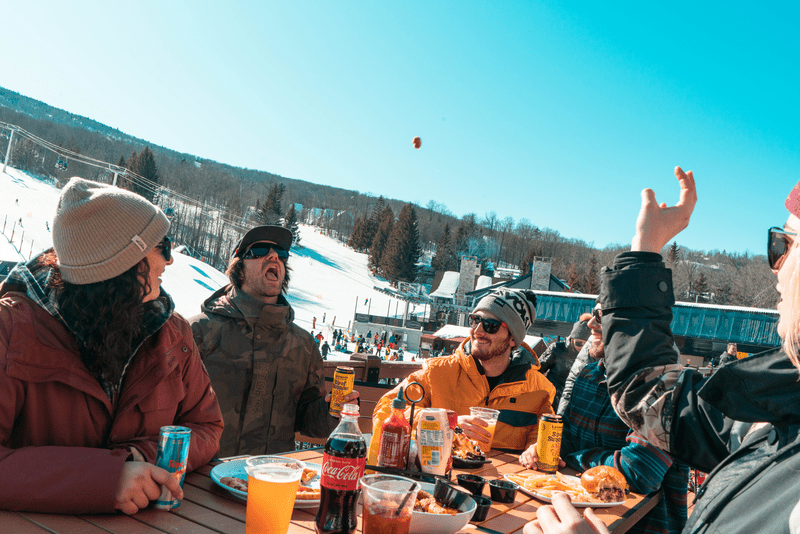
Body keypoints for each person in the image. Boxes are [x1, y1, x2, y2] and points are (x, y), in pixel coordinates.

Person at [527, 167, 800, 534]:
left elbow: (642, 463)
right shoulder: (781, 394)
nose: (776, 268)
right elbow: (655, 401)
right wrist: (645, 247)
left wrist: (569, 459)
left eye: (784, 244)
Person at [0, 177, 223, 514]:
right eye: (162, 245)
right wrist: (104, 479)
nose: (171, 259)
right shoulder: (10, 329)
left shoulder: (174, 334)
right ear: (120, 261)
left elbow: (206, 426)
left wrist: (140, 457)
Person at [521, 301, 688, 534]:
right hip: (578, 515)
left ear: (635, 326)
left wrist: (574, 457)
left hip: (639, 527)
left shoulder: (665, 389)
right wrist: (545, 449)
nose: (590, 323)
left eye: (600, 316)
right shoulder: (589, 374)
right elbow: (567, 437)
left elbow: (639, 472)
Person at [190, 225, 357, 457]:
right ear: (239, 270)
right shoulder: (199, 331)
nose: (274, 256)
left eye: (281, 254)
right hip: (204, 477)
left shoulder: (303, 344)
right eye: (258, 250)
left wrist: (333, 412)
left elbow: (307, 420)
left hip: (273, 478)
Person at [368, 288, 555, 464]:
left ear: (513, 338)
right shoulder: (438, 372)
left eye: (491, 325)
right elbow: (385, 411)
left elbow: (543, 436)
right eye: (475, 320)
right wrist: (446, 423)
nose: (477, 331)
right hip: (441, 479)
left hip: (501, 489)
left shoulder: (539, 389)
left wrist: (536, 450)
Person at [538, 314, 591, 409]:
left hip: (574, 403)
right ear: (572, 339)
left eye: (586, 344)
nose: (582, 347)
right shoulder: (557, 348)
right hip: (551, 399)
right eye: (579, 343)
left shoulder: (591, 356)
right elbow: (537, 369)